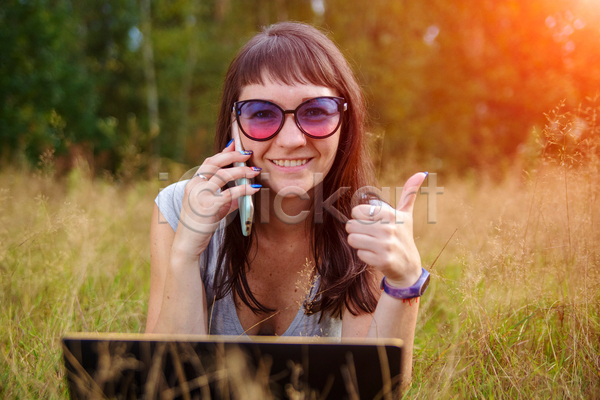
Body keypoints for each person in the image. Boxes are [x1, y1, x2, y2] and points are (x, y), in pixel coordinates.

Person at [146, 21, 429, 387]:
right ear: (234, 124)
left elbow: (372, 392)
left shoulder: (367, 225)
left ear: (345, 122)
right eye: (262, 114)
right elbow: (162, 385)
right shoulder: (175, 208)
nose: (292, 139)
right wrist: (186, 251)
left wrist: (404, 280)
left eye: (316, 111)